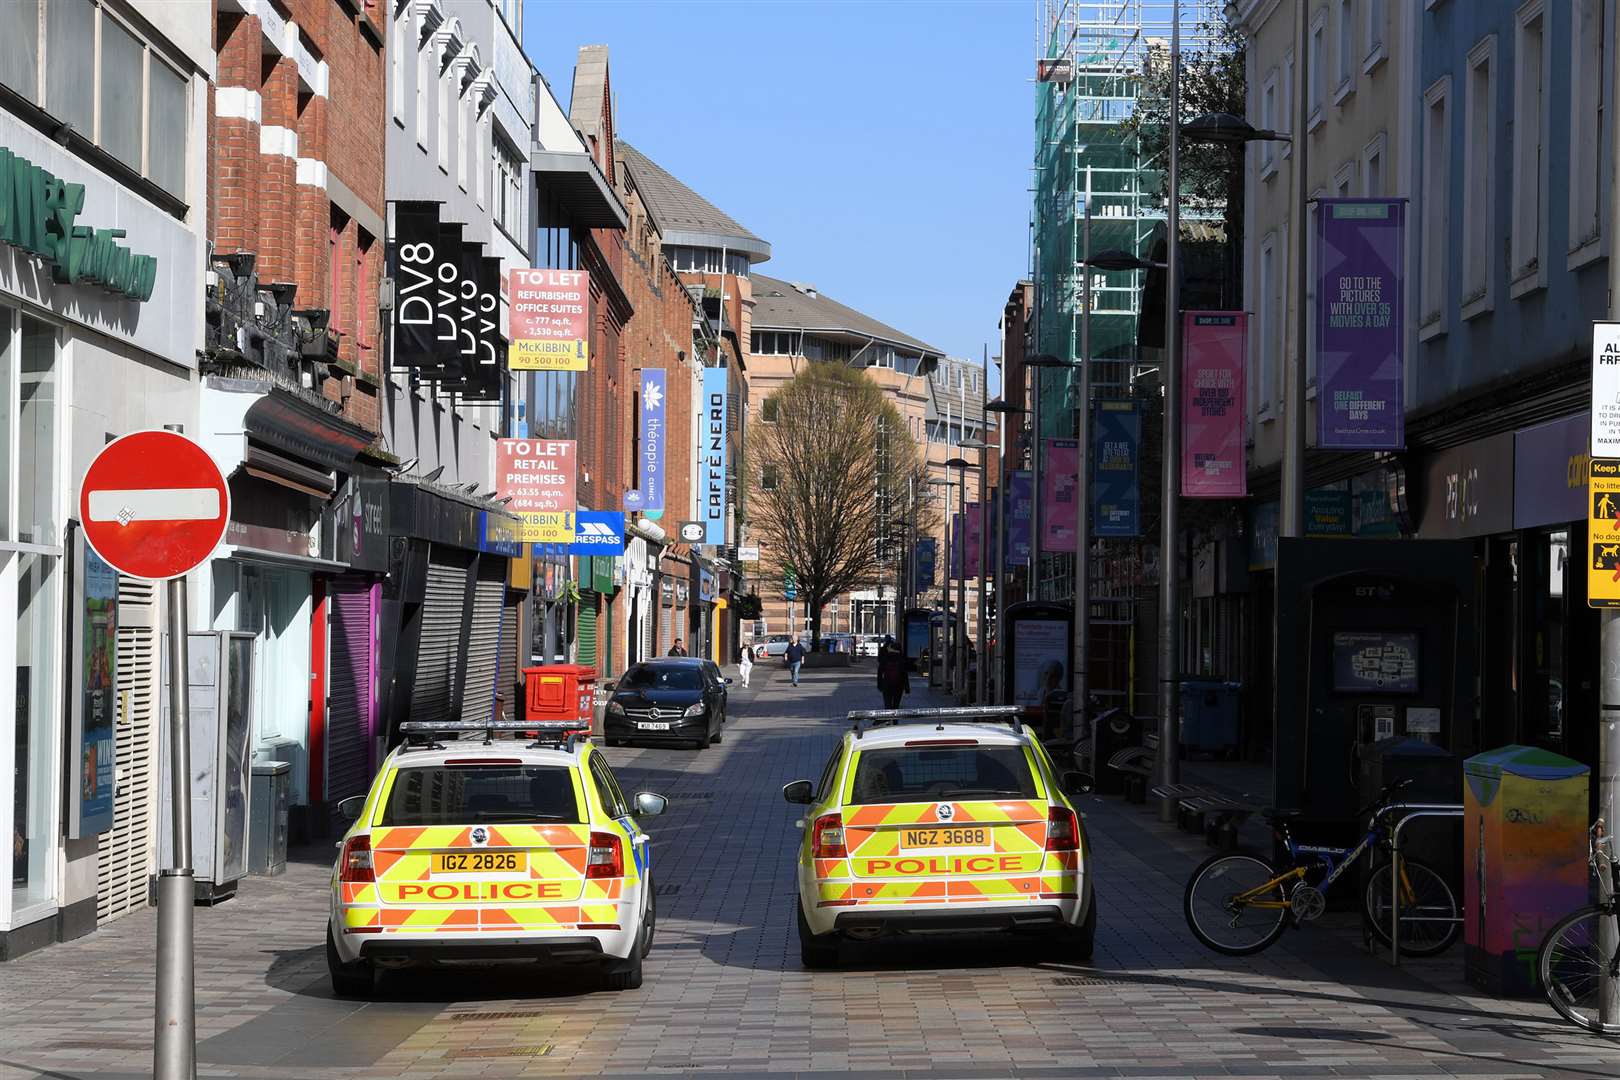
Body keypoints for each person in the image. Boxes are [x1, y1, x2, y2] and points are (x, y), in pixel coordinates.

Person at [876, 640, 910, 709]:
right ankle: (895, 719)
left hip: (887, 685)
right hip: (898, 686)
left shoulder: (885, 658)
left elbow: (880, 672)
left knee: (887, 704)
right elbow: (905, 674)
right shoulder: (901, 659)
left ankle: (888, 718)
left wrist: (880, 685)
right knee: (896, 705)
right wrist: (907, 687)